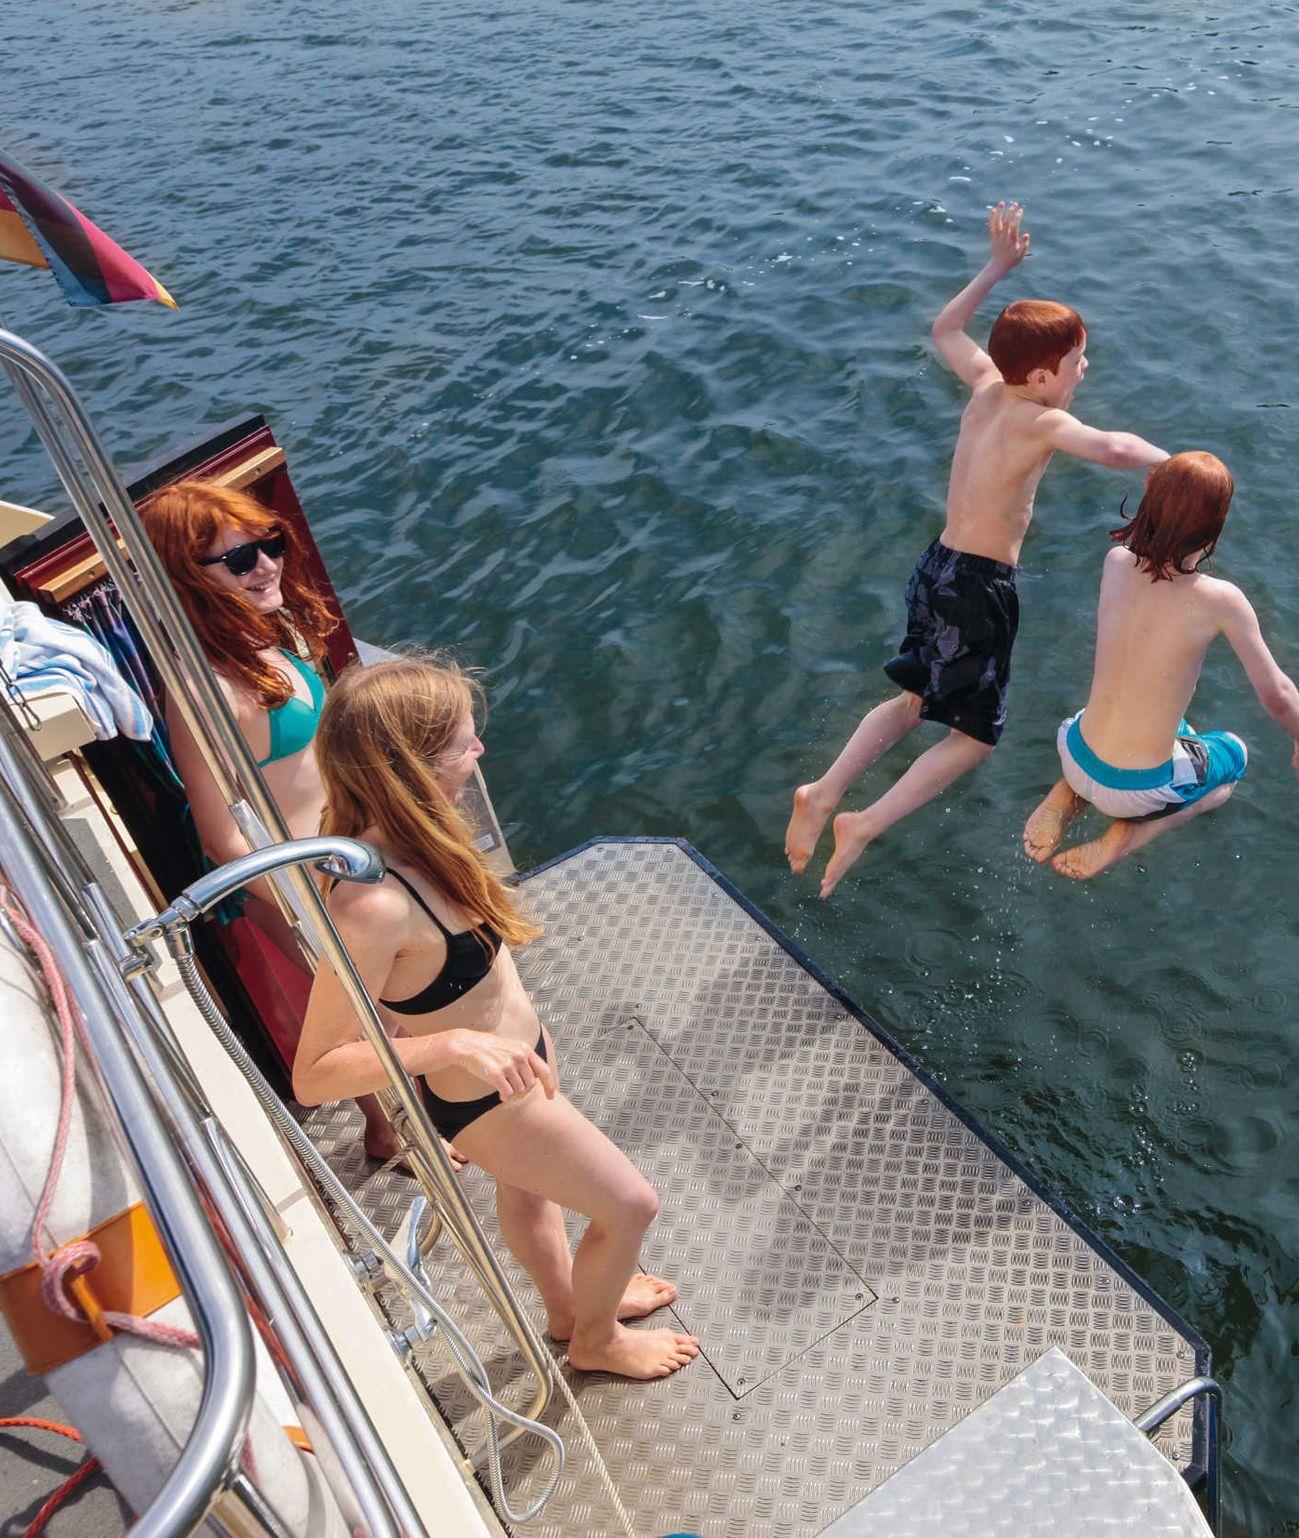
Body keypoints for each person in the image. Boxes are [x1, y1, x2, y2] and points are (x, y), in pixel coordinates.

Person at [292, 657, 697, 1381]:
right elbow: (314, 1075)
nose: (479, 751)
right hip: (485, 1098)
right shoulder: (371, 905)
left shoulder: (425, 836)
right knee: (630, 1205)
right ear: (411, 768)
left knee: (529, 1190)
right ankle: (597, 1341)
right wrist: (449, 1043)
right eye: (463, 743)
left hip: (520, 1060)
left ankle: (569, 1309)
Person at [785, 201, 1171, 897]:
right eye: (1077, 361)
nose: (1085, 369)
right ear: (1044, 377)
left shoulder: (988, 385)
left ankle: (824, 791)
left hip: (936, 566)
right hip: (978, 587)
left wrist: (995, 269)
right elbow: (1114, 447)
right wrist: (1172, 464)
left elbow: (946, 328)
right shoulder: (1040, 422)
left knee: (913, 700)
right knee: (974, 739)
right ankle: (863, 823)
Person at [142, 482, 399, 1162]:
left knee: (380, 1002)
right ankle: (390, 1130)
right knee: (359, 1016)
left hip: (349, 856)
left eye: (269, 545)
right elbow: (219, 836)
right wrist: (303, 903)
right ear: (189, 580)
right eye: (237, 560)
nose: (264, 566)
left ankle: (394, 1123)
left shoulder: (267, 639)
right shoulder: (206, 691)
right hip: (304, 886)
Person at [1022, 452, 1299, 878]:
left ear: (1150, 502)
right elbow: (1277, 694)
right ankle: (1128, 836)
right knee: (1233, 759)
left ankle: (1068, 793)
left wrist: (1160, 487)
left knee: (1152, 716)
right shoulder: (1221, 601)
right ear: (1215, 528)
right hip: (1135, 792)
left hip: (1074, 751)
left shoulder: (1115, 562)